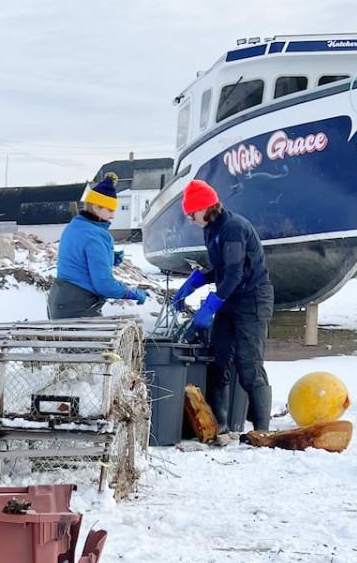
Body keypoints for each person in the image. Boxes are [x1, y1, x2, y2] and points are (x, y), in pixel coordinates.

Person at [170, 178, 274, 431]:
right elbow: (221, 269)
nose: (190, 218)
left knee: (248, 364)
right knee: (219, 360)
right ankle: (222, 427)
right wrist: (196, 281)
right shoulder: (212, 229)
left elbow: (235, 274)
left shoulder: (234, 228)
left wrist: (210, 307)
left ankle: (262, 430)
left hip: (252, 298)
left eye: (191, 212)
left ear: (205, 207)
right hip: (230, 298)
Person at [47, 173, 148, 319]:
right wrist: (131, 292)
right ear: (96, 207)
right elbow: (104, 285)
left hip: (60, 301)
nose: (113, 216)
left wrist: (109, 258)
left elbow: (78, 259)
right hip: (78, 307)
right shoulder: (96, 235)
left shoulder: (74, 226)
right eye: (110, 210)